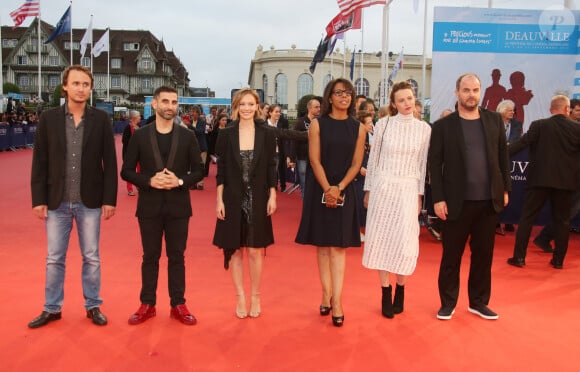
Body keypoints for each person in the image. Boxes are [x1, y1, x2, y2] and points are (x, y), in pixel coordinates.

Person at [29, 65, 118, 328]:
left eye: (86, 84)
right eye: (76, 83)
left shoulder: (101, 119)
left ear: (91, 89)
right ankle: (52, 307)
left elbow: (110, 163)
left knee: (91, 256)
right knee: (54, 257)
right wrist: (38, 199)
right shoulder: (49, 118)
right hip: (57, 201)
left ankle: (93, 305)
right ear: (65, 86)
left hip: (89, 201)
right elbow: (40, 161)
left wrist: (109, 199)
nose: (81, 89)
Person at [428, 73, 511, 321]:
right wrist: (438, 198)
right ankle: (448, 302)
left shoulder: (494, 120)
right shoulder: (444, 126)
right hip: (455, 202)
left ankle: (478, 302)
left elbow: (502, 158)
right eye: (466, 90)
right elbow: (435, 164)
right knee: (451, 256)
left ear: (480, 92)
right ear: (457, 93)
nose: (471, 95)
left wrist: (504, 189)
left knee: (483, 257)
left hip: (488, 202)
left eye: (475, 90)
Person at [121, 86, 203, 325]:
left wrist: (179, 181)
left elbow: (198, 170)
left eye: (174, 102)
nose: (170, 106)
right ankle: (148, 303)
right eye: (165, 101)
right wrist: (149, 180)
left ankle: (178, 303)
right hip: (149, 207)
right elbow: (125, 170)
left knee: (177, 256)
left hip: (179, 207)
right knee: (150, 256)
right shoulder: (139, 136)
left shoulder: (187, 136)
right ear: (154, 104)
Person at [295, 78, 366, 327]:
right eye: (338, 93)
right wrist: (328, 189)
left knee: (338, 247)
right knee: (323, 246)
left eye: (348, 93)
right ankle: (326, 293)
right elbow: (314, 160)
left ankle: (338, 302)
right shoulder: (317, 124)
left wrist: (340, 188)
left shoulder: (358, 128)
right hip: (320, 187)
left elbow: (357, 163)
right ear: (330, 97)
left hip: (345, 187)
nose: (344, 97)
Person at [362, 81, 431, 318]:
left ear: (415, 99)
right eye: (401, 100)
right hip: (383, 188)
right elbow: (373, 161)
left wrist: (420, 197)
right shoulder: (383, 125)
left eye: (410, 98)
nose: (406, 104)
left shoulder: (424, 129)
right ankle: (384, 291)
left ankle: (400, 289)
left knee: (404, 241)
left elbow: (422, 167)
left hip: (408, 191)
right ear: (393, 103)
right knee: (382, 238)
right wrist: (369, 190)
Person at [213, 88, 277, 319]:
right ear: (236, 107)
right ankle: (240, 295)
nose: (247, 108)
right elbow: (220, 169)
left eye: (251, 104)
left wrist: (273, 194)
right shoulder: (226, 132)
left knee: (254, 250)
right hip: (232, 196)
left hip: (258, 196)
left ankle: (255, 295)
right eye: (243, 105)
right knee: (236, 251)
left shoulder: (267, 133)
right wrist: (219, 199)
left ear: (257, 106)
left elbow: (271, 165)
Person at [506, 95, 580, 269]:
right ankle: (558, 261)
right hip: (565, 182)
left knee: (527, 219)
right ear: (567, 109)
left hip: (538, 180)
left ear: (551, 109)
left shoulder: (539, 125)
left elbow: (520, 145)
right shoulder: (577, 129)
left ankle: (519, 258)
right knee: (562, 221)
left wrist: (499, 155)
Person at [496, 99, 523, 233]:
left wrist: (508, 146)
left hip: (513, 159)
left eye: (513, 110)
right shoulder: (494, 121)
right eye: (509, 110)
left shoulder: (517, 124)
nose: (512, 112)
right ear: (502, 111)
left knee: (512, 190)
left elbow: (517, 139)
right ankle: (496, 221)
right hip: (496, 159)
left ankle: (509, 220)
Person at [291, 98, 321, 198]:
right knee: (305, 186)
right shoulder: (300, 122)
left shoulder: (320, 122)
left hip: (318, 159)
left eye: (319, 107)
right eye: (316, 107)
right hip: (303, 158)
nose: (319, 109)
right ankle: (306, 210)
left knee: (317, 186)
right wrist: (291, 157)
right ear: (309, 108)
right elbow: (294, 140)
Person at [266, 104, 289, 192]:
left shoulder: (279, 125)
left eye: (279, 112)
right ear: (270, 113)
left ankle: (272, 188)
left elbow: (286, 138)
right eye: (276, 112)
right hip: (267, 154)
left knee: (274, 172)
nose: (279, 114)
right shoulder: (264, 125)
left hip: (278, 152)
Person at [122, 110, 142, 196]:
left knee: (140, 171)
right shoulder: (128, 127)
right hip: (129, 154)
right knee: (130, 171)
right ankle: (129, 189)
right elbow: (124, 141)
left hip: (139, 153)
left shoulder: (140, 126)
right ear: (134, 118)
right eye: (139, 116)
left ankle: (139, 186)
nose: (140, 118)